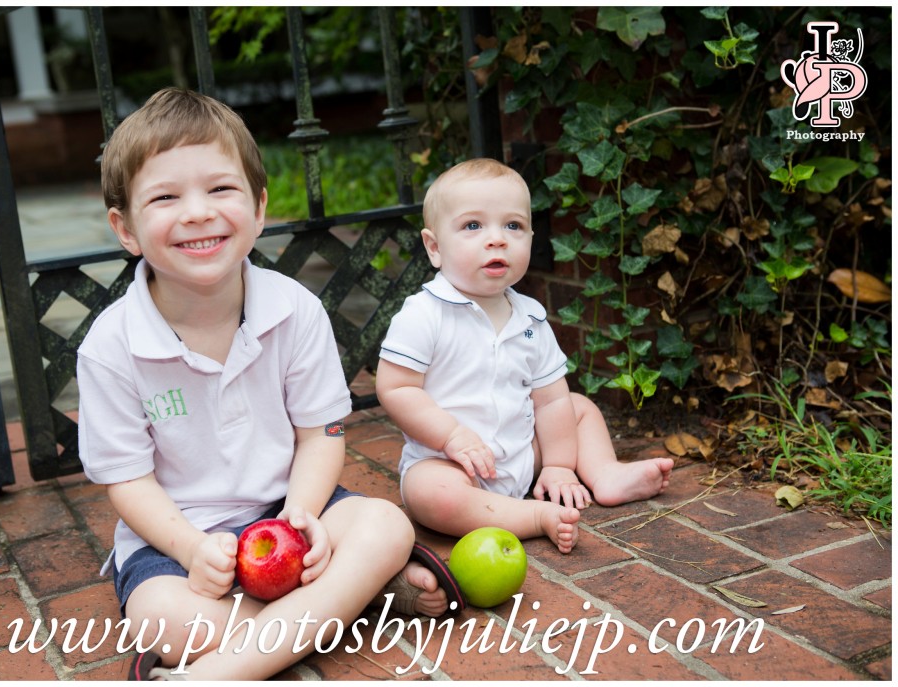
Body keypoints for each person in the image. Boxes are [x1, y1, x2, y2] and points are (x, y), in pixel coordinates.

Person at [77, 88, 462, 682]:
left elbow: (320, 435)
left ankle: (222, 669)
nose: (198, 211)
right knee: (163, 622)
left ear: (259, 209)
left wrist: (302, 517)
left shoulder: (294, 310)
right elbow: (127, 480)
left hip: (286, 507)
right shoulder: (110, 346)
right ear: (124, 227)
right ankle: (349, 605)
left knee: (386, 524)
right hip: (178, 537)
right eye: (165, 197)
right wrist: (187, 550)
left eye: (220, 189)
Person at [376, 158, 675, 555]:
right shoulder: (424, 313)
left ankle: (605, 474)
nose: (497, 239)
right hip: (450, 463)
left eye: (513, 226)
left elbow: (550, 399)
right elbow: (395, 388)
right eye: (473, 226)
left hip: (521, 453)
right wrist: (451, 436)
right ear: (434, 247)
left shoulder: (531, 317)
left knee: (577, 406)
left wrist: (557, 463)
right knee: (431, 495)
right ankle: (532, 517)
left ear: (530, 238)